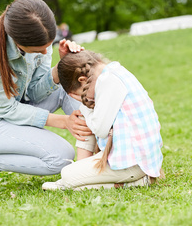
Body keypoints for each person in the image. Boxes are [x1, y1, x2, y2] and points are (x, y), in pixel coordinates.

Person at [0, 0, 92, 196]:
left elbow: (32, 92)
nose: (43, 53)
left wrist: (61, 69)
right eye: (37, 51)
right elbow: (4, 108)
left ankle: (96, 157)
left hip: (16, 108)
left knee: (71, 81)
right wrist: (63, 121)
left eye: (47, 47)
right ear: (17, 41)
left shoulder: (38, 33)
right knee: (61, 158)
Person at [42, 50, 163, 191]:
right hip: (138, 159)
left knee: (67, 174)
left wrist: (84, 105)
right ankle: (88, 178)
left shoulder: (109, 82)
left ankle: (136, 182)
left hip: (133, 164)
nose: (84, 99)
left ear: (82, 80)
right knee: (73, 174)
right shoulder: (113, 72)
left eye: (80, 95)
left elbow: (99, 129)